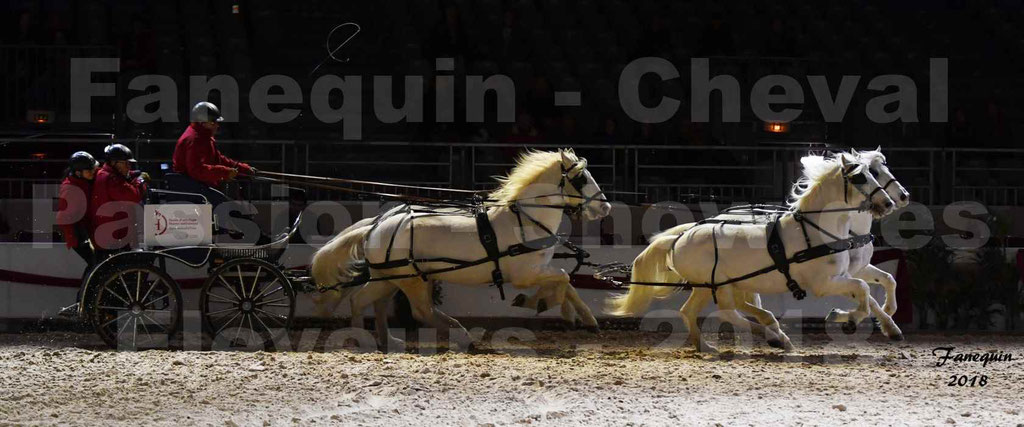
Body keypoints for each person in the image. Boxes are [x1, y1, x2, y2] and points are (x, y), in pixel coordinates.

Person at [169, 101, 254, 207]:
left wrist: (241, 168)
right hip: (193, 190)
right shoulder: (194, 139)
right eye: (213, 122)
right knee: (229, 206)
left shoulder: (203, 137)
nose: (217, 125)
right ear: (202, 122)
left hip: (199, 187)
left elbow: (217, 159)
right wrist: (225, 172)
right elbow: (197, 170)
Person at [90, 144, 148, 256]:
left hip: (111, 233)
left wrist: (134, 174)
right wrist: (140, 181)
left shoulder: (105, 174)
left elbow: (124, 176)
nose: (129, 166)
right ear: (113, 163)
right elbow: (134, 196)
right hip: (113, 236)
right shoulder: (111, 179)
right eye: (125, 163)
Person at [56, 151, 99, 264]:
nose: (93, 172)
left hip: (83, 232)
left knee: (94, 264)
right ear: (78, 173)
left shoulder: (81, 181)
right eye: (89, 170)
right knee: (95, 264)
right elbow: (64, 218)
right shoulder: (71, 189)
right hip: (78, 235)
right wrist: (80, 239)